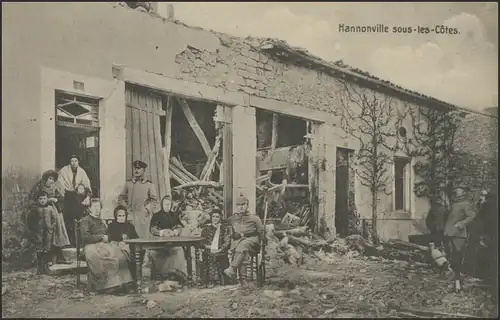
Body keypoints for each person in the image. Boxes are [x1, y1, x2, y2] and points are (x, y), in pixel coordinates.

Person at [79, 198, 134, 294]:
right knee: (101, 257)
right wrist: (101, 237)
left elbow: (109, 234)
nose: (97, 209)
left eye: (99, 207)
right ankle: (105, 286)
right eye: (95, 207)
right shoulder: (85, 220)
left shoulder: (102, 220)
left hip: (104, 244)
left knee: (119, 255)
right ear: (90, 208)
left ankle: (121, 283)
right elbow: (85, 237)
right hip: (90, 246)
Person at [29, 169, 70, 264]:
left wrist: (57, 200)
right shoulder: (39, 187)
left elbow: (60, 198)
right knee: (46, 235)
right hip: (43, 214)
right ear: (45, 179)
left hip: (55, 212)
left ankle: (58, 257)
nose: (51, 181)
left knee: (57, 233)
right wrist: (47, 201)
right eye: (50, 179)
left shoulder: (54, 187)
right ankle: (45, 260)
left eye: (53, 179)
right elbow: (32, 201)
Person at [223, 194, 265, 285]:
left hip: (253, 241)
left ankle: (232, 268)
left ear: (247, 205)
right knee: (243, 250)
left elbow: (261, 232)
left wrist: (262, 245)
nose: (241, 207)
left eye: (243, 204)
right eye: (238, 205)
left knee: (243, 244)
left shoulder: (255, 218)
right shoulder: (234, 218)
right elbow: (222, 222)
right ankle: (244, 281)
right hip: (240, 243)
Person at [443, 184, 476, 293]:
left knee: (458, 258)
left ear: (463, 192)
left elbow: (471, 216)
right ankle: (455, 282)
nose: (456, 190)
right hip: (449, 233)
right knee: (451, 258)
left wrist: (461, 224)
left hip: (458, 234)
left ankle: (458, 283)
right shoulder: (454, 203)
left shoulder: (466, 203)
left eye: (459, 189)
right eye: (456, 189)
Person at [148, 193, 188, 283]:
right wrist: (162, 232)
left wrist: (175, 231)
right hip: (159, 243)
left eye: (169, 204)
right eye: (165, 204)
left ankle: (176, 275)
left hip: (173, 241)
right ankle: (165, 275)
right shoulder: (156, 215)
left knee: (178, 250)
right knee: (156, 253)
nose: (167, 206)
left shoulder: (174, 215)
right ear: (162, 205)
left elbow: (178, 226)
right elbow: (152, 229)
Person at [57, 154, 92, 246]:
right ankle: (69, 242)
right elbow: (60, 184)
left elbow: (87, 187)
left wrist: (87, 197)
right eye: (72, 161)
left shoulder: (81, 172)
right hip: (67, 198)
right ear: (69, 162)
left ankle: (79, 242)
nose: (74, 163)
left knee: (79, 220)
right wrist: (67, 191)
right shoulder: (63, 171)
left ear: (78, 162)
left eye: (75, 161)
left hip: (78, 199)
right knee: (68, 221)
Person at [118, 160, 158, 239]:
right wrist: (126, 208)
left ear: (144, 170)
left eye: (139, 168)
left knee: (143, 237)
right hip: (130, 215)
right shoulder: (128, 183)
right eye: (135, 168)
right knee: (131, 237)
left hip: (143, 216)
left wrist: (146, 209)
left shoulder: (149, 184)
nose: (136, 170)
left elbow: (154, 200)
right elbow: (121, 197)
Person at [26, 191, 57, 274]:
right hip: (38, 232)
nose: (43, 200)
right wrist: (34, 230)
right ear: (37, 200)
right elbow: (30, 220)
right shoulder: (35, 209)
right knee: (39, 247)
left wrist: (52, 227)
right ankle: (39, 268)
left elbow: (54, 219)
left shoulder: (50, 208)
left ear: (47, 199)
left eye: (44, 198)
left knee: (47, 248)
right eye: (40, 199)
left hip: (48, 231)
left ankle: (46, 267)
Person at [200, 210, 231, 287]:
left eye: (217, 217)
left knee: (217, 256)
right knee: (208, 256)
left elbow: (227, 242)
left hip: (221, 251)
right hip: (208, 250)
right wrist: (208, 247)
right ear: (211, 218)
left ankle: (216, 280)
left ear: (220, 218)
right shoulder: (206, 228)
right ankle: (209, 280)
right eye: (213, 217)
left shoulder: (224, 229)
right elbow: (201, 241)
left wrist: (220, 249)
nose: (215, 218)